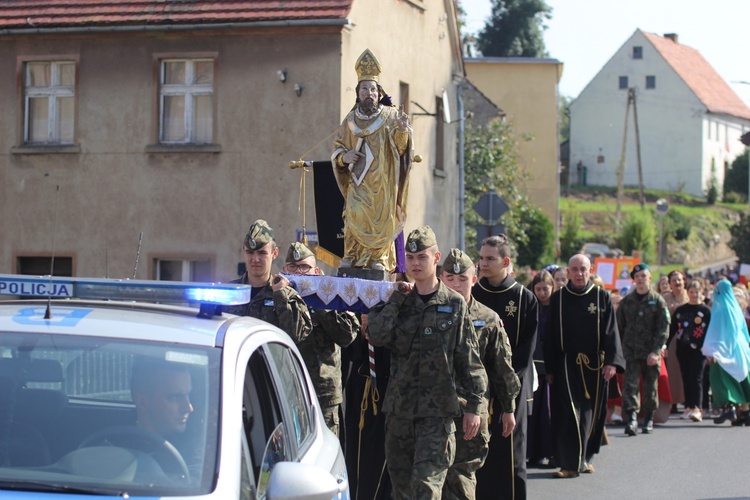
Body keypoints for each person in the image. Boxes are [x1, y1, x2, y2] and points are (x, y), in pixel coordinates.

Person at [367, 226, 487, 499]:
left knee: (426, 488)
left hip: (437, 416)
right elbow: (376, 335)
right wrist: (397, 299)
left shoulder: (454, 304)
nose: (415, 263)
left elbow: (469, 360)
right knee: (402, 491)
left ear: (436, 258)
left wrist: (475, 407)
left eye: (422, 257)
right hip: (400, 415)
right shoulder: (396, 301)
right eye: (410, 258)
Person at [440, 249, 520, 500]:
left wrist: (508, 408)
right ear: (441, 279)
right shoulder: (429, 313)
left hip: (471, 414)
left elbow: (501, 368)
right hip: (434, 412)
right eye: (450, 279)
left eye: (462, 279)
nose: (456, 284)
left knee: (462, 479)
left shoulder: (488, 318)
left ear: (474, 279)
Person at [331, 49, 413, 271]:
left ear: (379, 93)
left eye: (373, 89)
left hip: (383, 182)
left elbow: (401, 147)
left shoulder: (390, 116)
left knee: (381, 219)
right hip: (358, 182)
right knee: (353, 214)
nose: (369, 93)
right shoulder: (349, 121)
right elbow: (338, 147)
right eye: (364, 89)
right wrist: (343, 157)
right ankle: (352, 254)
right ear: (358, 93)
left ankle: (379, 258)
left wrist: (403, 131)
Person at [544, 254, 625, 478]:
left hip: (595, 367)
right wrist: (549, 369)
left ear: (590, 271)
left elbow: (611, 332)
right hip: (567, 364)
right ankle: (568, 464)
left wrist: (611, 362)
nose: (579, 274)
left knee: (591, 415)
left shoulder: (601, 297)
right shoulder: (558, 298)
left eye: (583, 269)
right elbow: (550, 335)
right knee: (570, 413)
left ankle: (584, 457)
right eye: (575, 269)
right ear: (568, 272)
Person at [472, 234, 538, 500]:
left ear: (505, 261)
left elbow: (525, 351)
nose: (483, 263)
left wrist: (505, 384)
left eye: (490, 258)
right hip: (476, 389)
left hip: (511, 389)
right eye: (481, 257)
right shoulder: (472, 294)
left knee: (511, 456)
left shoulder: (525, 298)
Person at [282, 242, 359, 436]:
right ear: (284, 270)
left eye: (304, 267)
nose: (299, 273)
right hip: (289, 393)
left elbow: (346, 336)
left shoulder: (334, 296)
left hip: (323, 396)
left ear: (316, 270)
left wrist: (322, 299)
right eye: (293, 267)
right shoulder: (279, 298)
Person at [224, 219, 312, 345]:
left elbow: (297, 336)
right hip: (235, 363)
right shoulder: (229, 293)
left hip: (269, 364)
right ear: (244, 251)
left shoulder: (287, 295)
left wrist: (281, 298)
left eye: (262, 253)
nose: (255, 259)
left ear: (274, 253)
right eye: (250, 252)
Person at [616, 263, 670, 436]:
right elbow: (619, 327)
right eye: (637, 276)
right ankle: (632, 419)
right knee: (630, 386)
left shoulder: (658, 301)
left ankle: (648, 418)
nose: (640, 279)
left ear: (649, 278)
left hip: (650, 352)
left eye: (643, 276)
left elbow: (663, 328)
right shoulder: (627, 302)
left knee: (650, 387)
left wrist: (656, 351)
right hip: (630, 352)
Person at [702, 279, 750, 426]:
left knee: (720, 380)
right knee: (742, 381)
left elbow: (719, 333)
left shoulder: (721, 310)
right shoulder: (736, 308)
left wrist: (715, 351)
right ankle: (745, 413)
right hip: (740, 351)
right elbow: (743, 332)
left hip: (724, 351)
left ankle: (728, 407)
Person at [669, 280, 711, 422]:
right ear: (687, 293)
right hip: (683, 349)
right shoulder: (681, 310)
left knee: (697, 378)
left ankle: (697, 408)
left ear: (702, 293)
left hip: (700, 351)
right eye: (691, 292)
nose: (694, 295)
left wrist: (711, 351)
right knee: (686, 377)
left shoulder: (706, 311)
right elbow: (672, 329)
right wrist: (664, 345)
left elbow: (710, 332)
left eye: (697, 292)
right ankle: (688, 406)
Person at [526, 270, 555, 468]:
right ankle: (533, 453)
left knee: (548, 414)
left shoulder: (557, 308)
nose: (542, 293)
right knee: (533, 414)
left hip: (552, 369)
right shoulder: (531, 307)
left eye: (546, 289)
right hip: (534, 367)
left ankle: (549, 452)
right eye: (538, 289)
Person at [663, 270, 688, 418]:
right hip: (672, 338)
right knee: (673, 370)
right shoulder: (665, 298)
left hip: (688, 337)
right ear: (670, 283)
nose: (677, 283)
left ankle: (687, 400)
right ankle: (672, 401)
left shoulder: (689, 296)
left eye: (679, 280)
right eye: (674, 280)